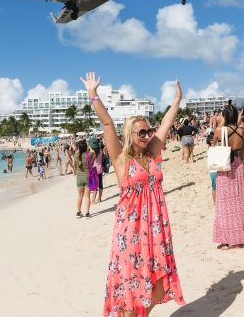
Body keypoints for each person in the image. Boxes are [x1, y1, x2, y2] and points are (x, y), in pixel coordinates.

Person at [81, 72, 185, 316]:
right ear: (130, 135)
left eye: (148, 131)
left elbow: (166, 125)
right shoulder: (121, 159)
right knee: (132, 287)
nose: (147, 135)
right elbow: (107, 124)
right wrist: (93, 95)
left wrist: (177, 101)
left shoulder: (151, 154)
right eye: (141, 133)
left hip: (155, 227)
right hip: (131, 230)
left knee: (157, 285)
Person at [212, 105, 244, 250]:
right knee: (239, 203)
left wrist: (220, 123)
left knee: (224, 204)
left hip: (225, 166)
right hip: (238, 165)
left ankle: (227, 239)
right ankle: (238, 239)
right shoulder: (242, 130)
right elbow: (243, 140)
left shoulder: (220, 130)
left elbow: (213, 142)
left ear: (225, 116)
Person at [75, 140, 93, 218]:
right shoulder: (89, 155)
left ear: (79, 148)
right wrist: (89, 145)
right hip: (87, 176)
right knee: (87, 196)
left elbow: (77, 151)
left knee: (79, 196)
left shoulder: (76, 155)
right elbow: (93, 151)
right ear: (86, 147)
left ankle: (78, 212)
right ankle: (87, 213)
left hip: (79, 177)